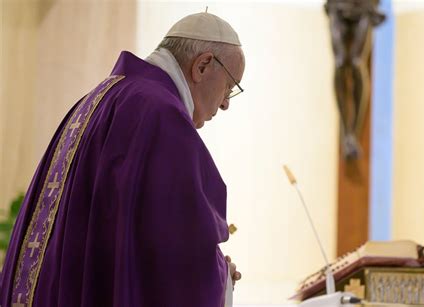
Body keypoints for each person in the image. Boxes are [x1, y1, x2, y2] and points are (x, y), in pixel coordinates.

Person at [0, 12, 245, 307]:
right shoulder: (161, 116)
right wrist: (221, 280)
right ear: (203, 65)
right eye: (229, 87)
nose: (226, 103)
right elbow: (177, 261)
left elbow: (125, 232)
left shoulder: (102, 98)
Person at [325, 0, 385, 160]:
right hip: (338, 6)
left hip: (363, 6)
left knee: (356, 62)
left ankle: (353, 134)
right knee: (339, 63)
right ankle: (347, 132)